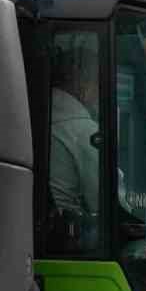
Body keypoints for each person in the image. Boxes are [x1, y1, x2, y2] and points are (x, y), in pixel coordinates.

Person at [47, 44, 103, 252]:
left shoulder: (40, 114)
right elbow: (106, 200)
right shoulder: (82, 130)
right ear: (83, 85)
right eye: (98, 85)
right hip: (69, 242)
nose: (98, 95)